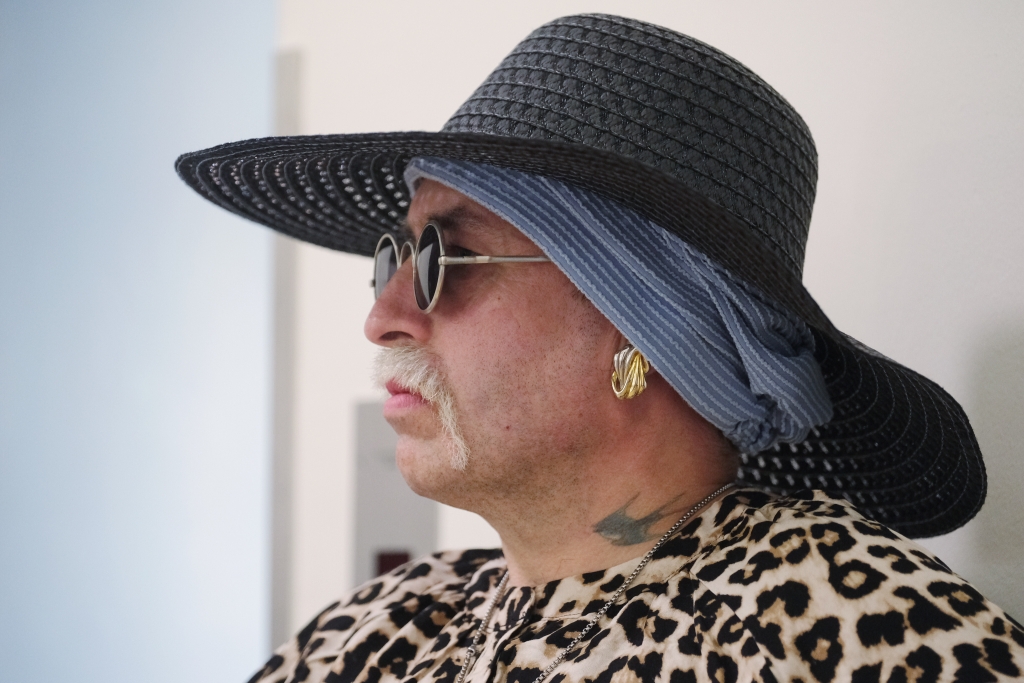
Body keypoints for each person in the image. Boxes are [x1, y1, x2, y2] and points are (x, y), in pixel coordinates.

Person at [177, 14, 1024, 683]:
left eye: (443, 257)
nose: (385, 315)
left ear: (644, 322)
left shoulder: (836, 626)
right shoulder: (380, 627)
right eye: (391, 257)